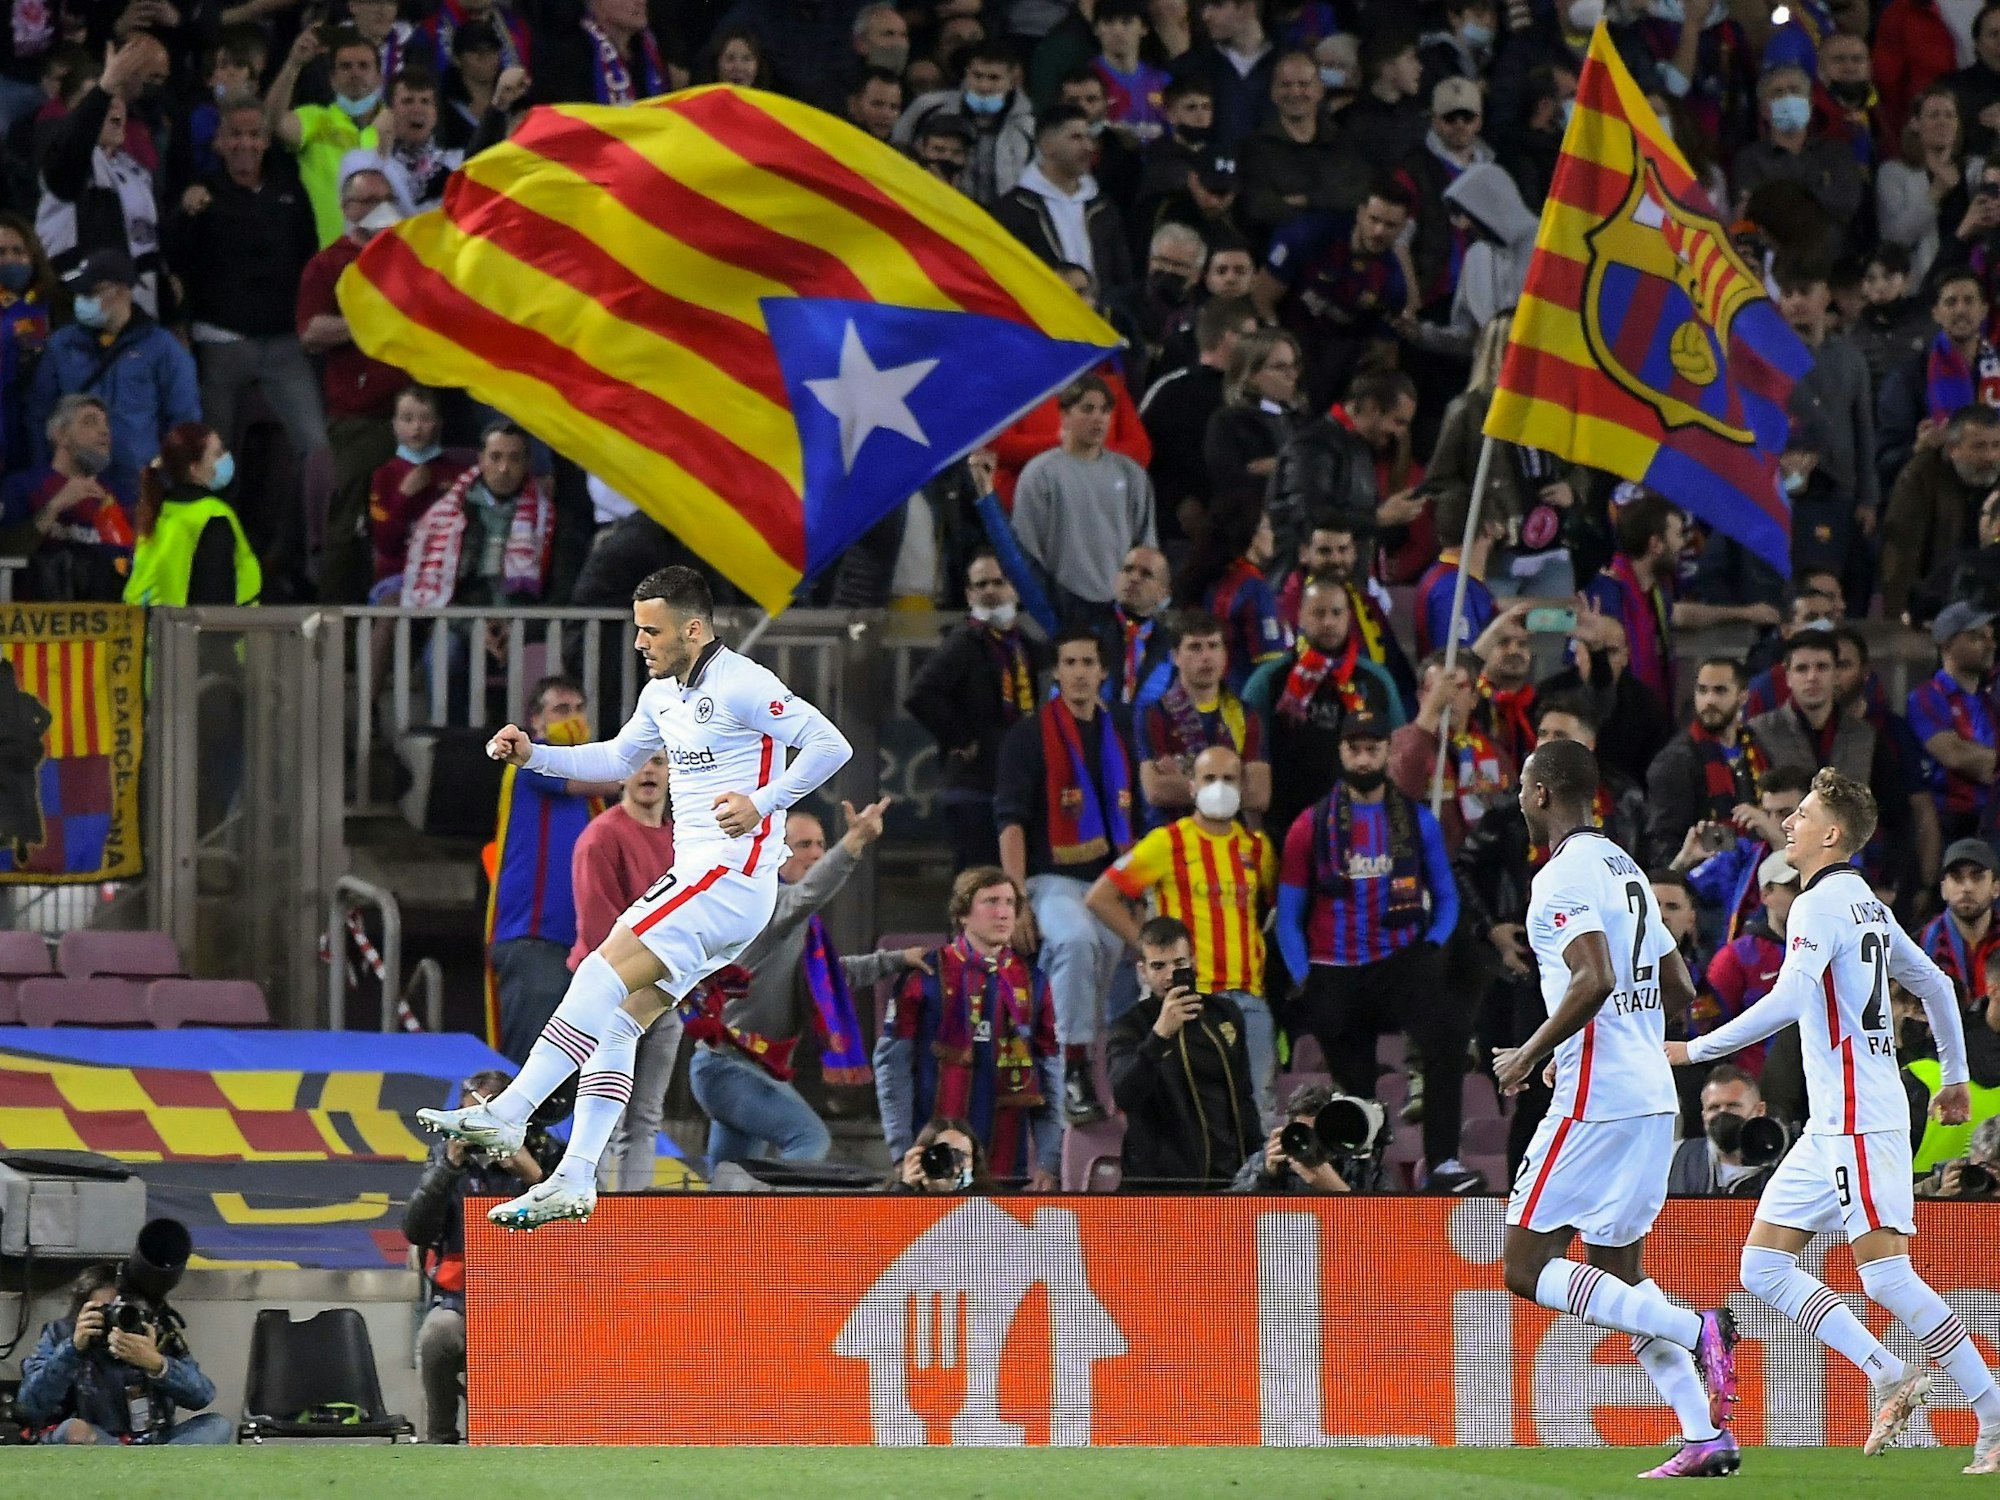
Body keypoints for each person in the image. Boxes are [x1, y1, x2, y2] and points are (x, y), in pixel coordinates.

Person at [417, 566, 853, 1230]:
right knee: (619, 1018)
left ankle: (509, 1114)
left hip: (728, 879)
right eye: (637, 628)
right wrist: (533, 754)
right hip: (716, 889)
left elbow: (831, 743)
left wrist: (764, 803)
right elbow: (617, 760)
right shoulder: (660, 695)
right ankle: (575, 1175)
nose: (641, 641)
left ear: (694, 629)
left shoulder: (742, 683)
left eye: (652, 629)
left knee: (597, 970)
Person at [1670, 768, 1999, 1474]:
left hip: (1859, 1118)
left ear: (1832, 833)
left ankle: (1994, 1412)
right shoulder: (1865, 905)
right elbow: (1937, 985)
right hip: (1833, 1124)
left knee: (1886, 1280)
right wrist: (1959, 1077)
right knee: (1761, 1265)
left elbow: (1790, 998)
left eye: (1803, 815)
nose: (1788, 824)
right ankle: (1885, 1372)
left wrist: (1693, 1049)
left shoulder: (1820, 906)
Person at [1492, 735, 1741, 1479]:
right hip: (1652, 1098)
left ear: (1541, 794)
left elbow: (1593, 976)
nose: (1517, 800)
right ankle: (1706, 1437)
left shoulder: (1560, 876)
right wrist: (1619, 1041)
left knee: (1525, 1266)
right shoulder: (1626, 866)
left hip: (1596, 1099)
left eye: (1522, 788)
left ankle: (1695, 1326)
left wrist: (1532, 1053)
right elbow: (1678, 986)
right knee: (1617, 1280)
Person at [1277, 712, 1475, 1191]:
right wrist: (1305, 977)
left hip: (1400, 960)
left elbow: (1447, 897)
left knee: (1448, 1038)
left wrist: (1431, 946)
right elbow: (1288, 914)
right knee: (1356, 1091)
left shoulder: (1417, 820)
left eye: (1372, 749)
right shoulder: (1309, 826)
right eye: (1354, 749)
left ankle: (1443, 1164)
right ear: (1341, 754)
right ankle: (1366, 1174)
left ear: (1388, 752)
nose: (1363, 758)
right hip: (1334, 967)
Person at [684, 800, 921, 1170]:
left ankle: (733, 1230)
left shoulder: (795, 924)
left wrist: (897, 960)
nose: (815, 854)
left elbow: (829, 979)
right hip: (730, 1068)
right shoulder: (765, 903)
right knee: (809, 1140)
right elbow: (808, 894)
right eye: (803, 845)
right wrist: (854, 841)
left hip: (739, 1069)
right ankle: (785, 1228)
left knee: (731, 1187)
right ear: (777, 853)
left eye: (820, 845)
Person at [164, 93, 324, 593]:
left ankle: (299, 561)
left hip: (284, 346)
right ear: (218, 141)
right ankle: (221, 568)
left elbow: (309, 258)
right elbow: (173, 261)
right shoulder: (199, 194)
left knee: (316, 449)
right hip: (220, 345)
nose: (245, 143)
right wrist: (184, 217)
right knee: (215, 459)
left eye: (255, 133)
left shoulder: (289, 192)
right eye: (235, 133)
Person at [1090, 745, 1279, 1124]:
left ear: (1243, 786)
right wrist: (1147, 949)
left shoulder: (1257, 848)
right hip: (1189, 998)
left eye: (1229, 779)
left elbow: (1273, 909)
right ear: (1191, 786)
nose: (1220, 787)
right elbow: (1101, 896)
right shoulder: (1167, 842)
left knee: (1257, 1111)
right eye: (1210, 779)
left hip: (1249, 1000)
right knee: (1189, 1114)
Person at [994, 627, 1137, 1123]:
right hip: (1050, 882)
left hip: (1115, 884)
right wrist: (1015, 903)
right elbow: (1009, 822)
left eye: (1088, 662)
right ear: (1058, 672)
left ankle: (1110, 1068)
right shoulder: (1029, 735)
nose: (1079, 672)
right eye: (1070, 662)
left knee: (1132, 950)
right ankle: (1073, 1069)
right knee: (1076, 943)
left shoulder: (1121, 730)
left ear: (1103, 672)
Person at [402, 1068, 564, 1442]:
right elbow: (416, 1231)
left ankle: (549, 1436)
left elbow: (589, 1234)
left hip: (540, 1300)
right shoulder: (445, 1159)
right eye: (466, 1118)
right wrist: (448, 1167)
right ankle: (440, 1437)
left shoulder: (549, 1153)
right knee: (437, 1334)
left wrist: (534, 1178)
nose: (471, 1128)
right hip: (465, 1300)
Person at [873, 867, 1061, 1189]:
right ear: (962, 913)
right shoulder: (925, 974)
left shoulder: (1033, 982)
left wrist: (1048, 1160)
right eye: (990, 902)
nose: (1003, 913)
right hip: (933, 1168)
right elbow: (893, 1068)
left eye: (1009, 903)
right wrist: (902, 1151)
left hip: (1006, 1166)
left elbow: (1050, 1073)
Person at [484, 677, 623, 1062]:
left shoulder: (590, 785)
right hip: (533, 937)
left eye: (579, 710)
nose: (574, 718)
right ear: (536, 721)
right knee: (530, 1064)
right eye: (562, 710)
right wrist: (659, 769)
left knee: (572, 1069)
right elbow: (605, 779)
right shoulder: (531, 758)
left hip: (582, 945)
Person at [296, 156, 408, 603]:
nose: (380, 208)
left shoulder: (406, 258)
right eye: (369, 200)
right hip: (361, 418)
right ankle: (335, 627)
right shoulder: (328, 265)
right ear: (348, 208)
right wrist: (365, 321)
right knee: (349, 524)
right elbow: (310, 332)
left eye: (386, 199)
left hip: (416, 410)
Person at [569, 750, 677, 1190]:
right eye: (638, 762)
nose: (648, 771)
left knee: (646, 1119)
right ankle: (586, 1218)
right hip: (610, 997)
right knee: (603, 1115)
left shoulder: (682, 840)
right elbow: (598, 927)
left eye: (659, 761)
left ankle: (634, 1222)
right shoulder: (600, 838)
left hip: (664, 998)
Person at [904, 548, 1049, 872]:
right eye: (981, 584)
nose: (990, 591)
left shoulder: (1023, 643)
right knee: (977, 882)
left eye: (998, 582)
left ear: (1014, 588)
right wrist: (963, 738)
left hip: (1015, 783)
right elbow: (919, 694)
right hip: (974, 787)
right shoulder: (963, 642)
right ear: (969, 594)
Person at [26, 247, 197, 504]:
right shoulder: (62, 345)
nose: (81, 300)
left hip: (138, 487)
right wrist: (46, 476)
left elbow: (183, 422)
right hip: (73, 483)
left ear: (122, 291)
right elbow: (40, 414)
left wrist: (165, 481)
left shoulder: (162, 349)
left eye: (91, 292)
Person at [1245, 573, 1403, 846]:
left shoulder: (1376, 681)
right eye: (1319, 613)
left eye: (1336, 613)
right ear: (1301, 617)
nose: (1328, 622)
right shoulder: (1270, 681)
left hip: (1361, 830)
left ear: (1349, 618)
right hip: (1286, 830)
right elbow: (1247, 760)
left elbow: (1398, 753)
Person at [1107, 914, 1261, 1184]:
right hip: (1160, 1185)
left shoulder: (1224, 1014)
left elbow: (1243, 1097)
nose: (1170, 976)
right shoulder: (1130, 1026)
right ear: (1142, 971)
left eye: (1178, 964)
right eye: (1158, 966)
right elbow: (1123, 1095)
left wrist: (1255, 1165)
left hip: (1229, 1177)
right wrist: (1160, 1034)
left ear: (1193, 963)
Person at [17, 1263, 231, 1445]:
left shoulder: (153, 1331)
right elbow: (30, 1407)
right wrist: (73, 1350)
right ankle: (152, 1472)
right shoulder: (61, 1333)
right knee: (73, 1430)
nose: (114, 1320)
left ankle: (147, 1471)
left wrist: (157, 1365)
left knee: (217, 1425)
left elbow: (203, 1395)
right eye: (104, 1312)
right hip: (100, 1440)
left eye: (123, 1311)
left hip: (157, 1443)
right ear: (83, 1311)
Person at [1011, 375, 1159, 631]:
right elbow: (1027, 551)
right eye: (1087, 409)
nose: (1098, 418)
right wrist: (1048, 605)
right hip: (1064, 605)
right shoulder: (1040, 475)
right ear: (1065, 415)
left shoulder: (1131, 474)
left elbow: (1146, 544)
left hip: (1121, 607)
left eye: (1105, 410)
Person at [1128, 614, 1270, 826]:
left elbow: (1259, 795)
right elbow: (1156, 790)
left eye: (1213, 646)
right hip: (1171, 838)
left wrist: (1186, 778)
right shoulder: (1154, 713)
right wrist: (1232, 783)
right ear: (1175, 656)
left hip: (1227, 839)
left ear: (1224, 655)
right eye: (1195, 647)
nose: (1206, 656)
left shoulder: (1246, 715)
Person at [992, 105, 1134, 300]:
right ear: (1046, 145)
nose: (1088, 146)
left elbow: (1122, 277)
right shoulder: (1013, 209)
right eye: (1076, 138)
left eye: (1088, 137)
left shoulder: (1103, 207)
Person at [3, 391, 132, 603]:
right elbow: (8, 553)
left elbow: (128, 563)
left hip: (105, 623)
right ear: (61, 435)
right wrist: (54, 507)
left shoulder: (118, 495)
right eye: (90, 422)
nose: (104, 431)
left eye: (106, 424)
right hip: (37, 622)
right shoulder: (23, 486)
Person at [267, 26, 387, 249]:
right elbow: (274, 122)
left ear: (379, 77)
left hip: (375, 261)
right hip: (325, 258)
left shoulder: (387, 130)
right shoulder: (316, 119)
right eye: (345, 66)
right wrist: (294, 65)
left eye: (364, 66)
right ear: (332, 79)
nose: (355, 73)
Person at [1882, 403, 2000, 624]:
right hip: (1938, 600)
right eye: (1979, 447)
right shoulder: (1919, 478)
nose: (1991, 456)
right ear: (1953, 448)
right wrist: (1901, 617)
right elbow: (1900, 556)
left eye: (1996, 445)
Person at [1642, 656, 1765, 869]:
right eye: (1702, 690)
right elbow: (1663, 847)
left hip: (1753, 871)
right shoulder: (1675, 761)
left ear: (1743, 696)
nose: (1709, 700)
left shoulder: (1756, 747)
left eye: (1720, 691)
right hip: (1700, 880)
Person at [1389, 648, 1515, 853]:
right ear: (1421, 697)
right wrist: (1429, 715)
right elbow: (1396, 798)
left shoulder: (1494, 753)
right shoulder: (1400, 743)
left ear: (1474, 698)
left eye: (1457, 688)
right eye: (1437, 689)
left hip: (1479, 871)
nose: (1447, 697)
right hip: (1425, 866)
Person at [124, 422, 259, 609]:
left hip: (156, 634)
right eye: (217, 454)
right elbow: (215, 605)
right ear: (194, 469)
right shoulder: (213, 516)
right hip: (200, 636)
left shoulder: (158, 512)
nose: (226, 459)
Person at [1695, 850, 1801, 1080]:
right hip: (1758, 1089)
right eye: (1793, 886)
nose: (1803, 894)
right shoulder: (1735, 957)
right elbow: (1709, 1028)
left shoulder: (1832, 950)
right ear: (1765, 894)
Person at [1908, 601, 2000, 842]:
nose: (1990, 644)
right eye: (1977, 637)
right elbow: (1955, 755)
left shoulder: (1990, 700)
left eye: (1991, 636)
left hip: (1992, 819)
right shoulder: (1926, 697)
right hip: (1950, 824)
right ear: (1947, 643)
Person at [1666, 1064, 1777, 1196]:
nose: (1722, 1113)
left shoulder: (1784, 1168)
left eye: (1733, 1106)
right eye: (1714, 1107)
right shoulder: (1675, 1158)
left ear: (1760, 1110)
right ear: (1704, 1116)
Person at [1228, 1080, 1356, 1192]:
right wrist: (1265, 1176)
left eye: (1321, 1134)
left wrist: (1338, 1189)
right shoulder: (1273, 1157)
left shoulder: (1358, 1161)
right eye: (1306, 1134)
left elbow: (1374, 1217)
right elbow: (1229, 1211)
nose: (1314, 1143)